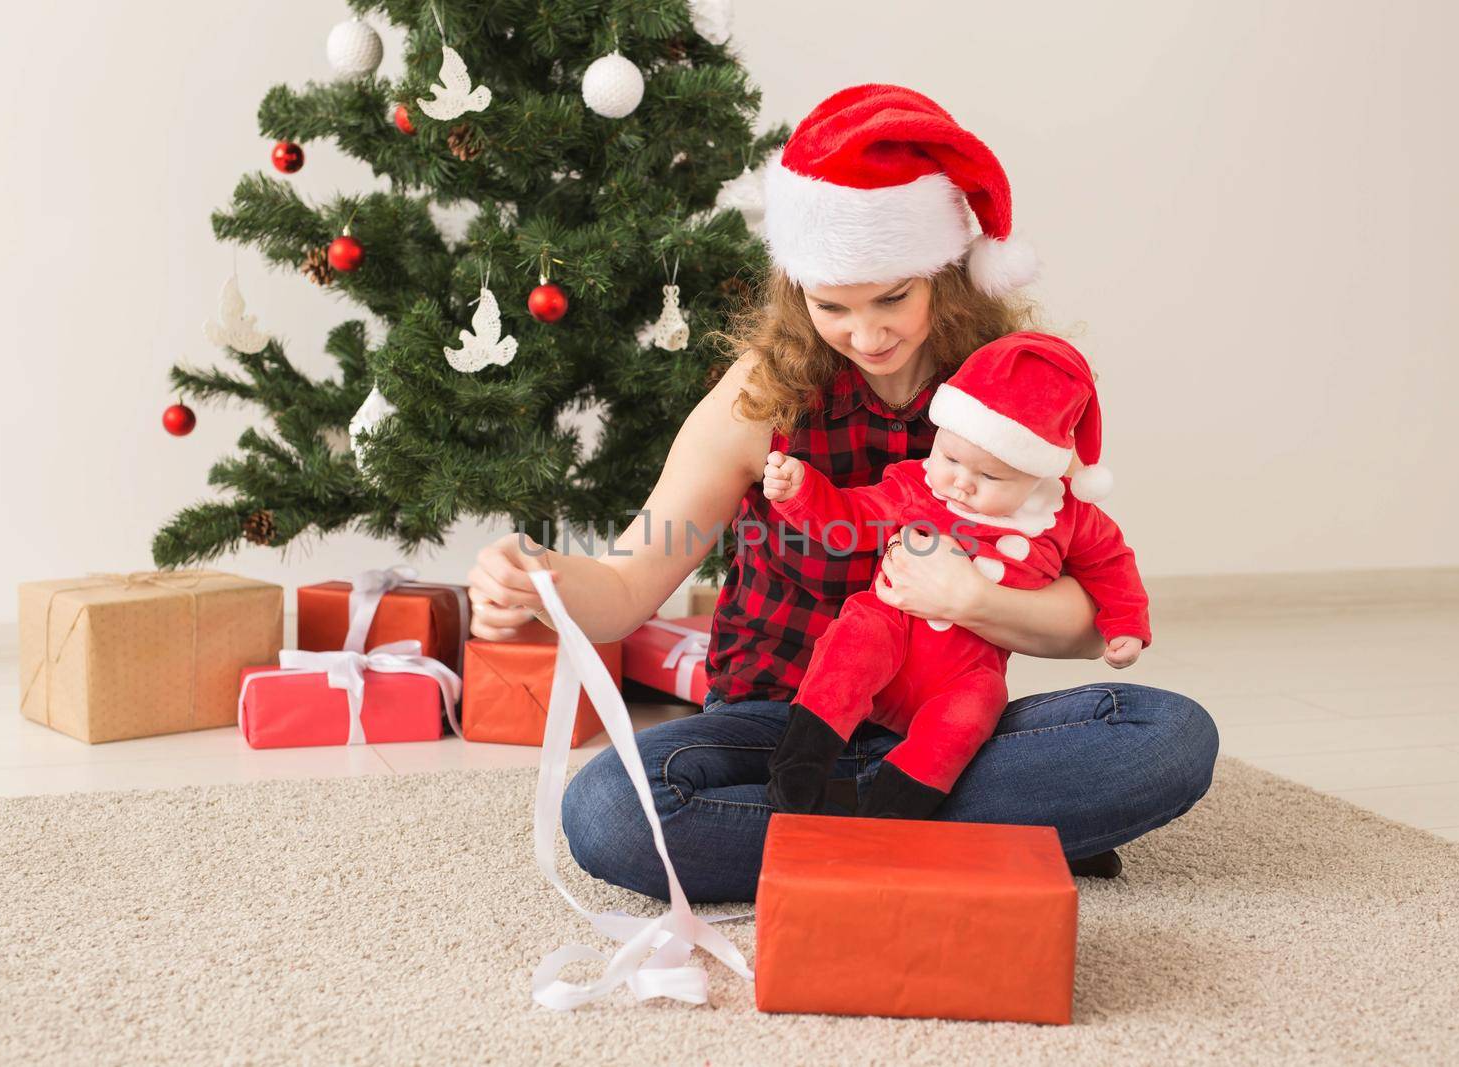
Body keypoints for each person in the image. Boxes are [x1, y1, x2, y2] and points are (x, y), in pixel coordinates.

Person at [465, 84, 1218, 902]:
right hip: (776, 729)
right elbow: (623, 590)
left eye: (894, 296)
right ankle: (971, 829)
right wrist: (536, 579)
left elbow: (1088, 621)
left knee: (1168, 736)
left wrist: (966, 596)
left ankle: (846, 830)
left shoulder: (1015, 390)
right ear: (798, 290)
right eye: (833, 306)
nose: (869, 334)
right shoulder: (761, 395)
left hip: (945, 727)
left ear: (947, 275)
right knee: (609, 810)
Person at [762, 331, 1150, 820]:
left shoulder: (1067, 515)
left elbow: (1111, 564)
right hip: (893, 633)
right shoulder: (915, 483)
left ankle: (890, 815)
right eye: (950, 458)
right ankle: (800, 770)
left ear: (1038, 474)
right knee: (858, 634)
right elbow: (850, 519)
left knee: (977, 706)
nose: (961, 482)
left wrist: (1126, 626)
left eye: (991, 478)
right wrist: (801, 492)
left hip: (964, 671)